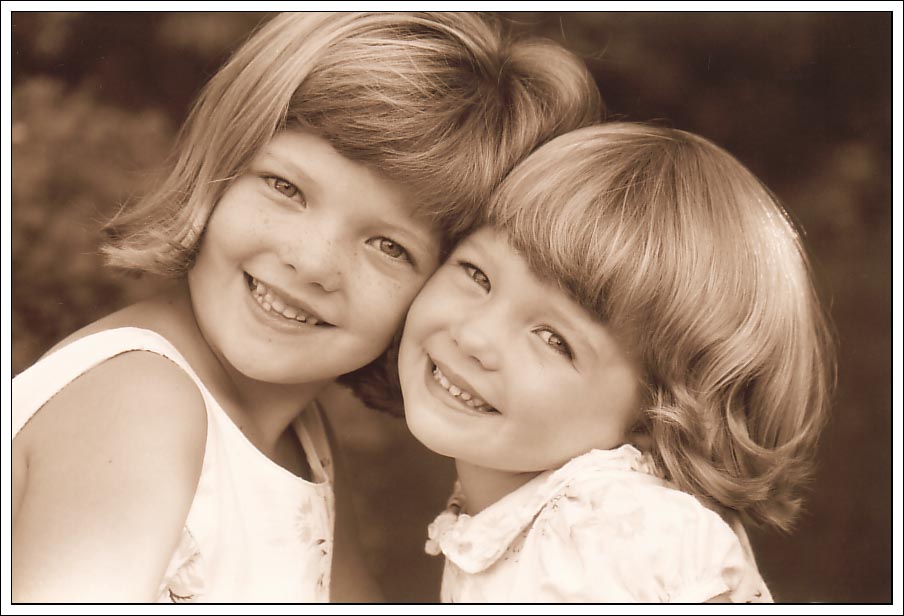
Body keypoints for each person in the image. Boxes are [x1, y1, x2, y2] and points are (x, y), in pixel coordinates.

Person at [11, 12, 602, 602]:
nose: (312, 262)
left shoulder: (300, 437)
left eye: (389, 247)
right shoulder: (140, 403)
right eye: (286, 187)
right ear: (221, 165)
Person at [397, 123, 835, 602]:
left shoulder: (611, 532)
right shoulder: (555, 521)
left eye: (554, 339)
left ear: (660, 417)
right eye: (477, 274)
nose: (474, 335)